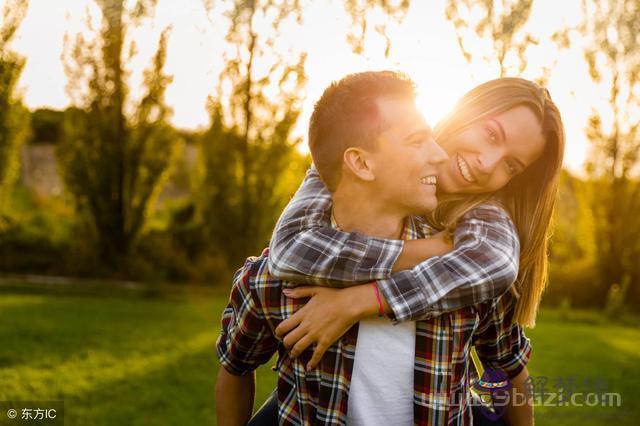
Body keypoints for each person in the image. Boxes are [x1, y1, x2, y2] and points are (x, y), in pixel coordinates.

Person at [216, 71, 564, 425]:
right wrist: (428, 250)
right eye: (491, 134)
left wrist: (362, 300)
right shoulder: (345, 165)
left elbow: (498, 278)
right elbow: (291, 250)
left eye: (511, 165)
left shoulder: (477, 246)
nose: (487, 164)